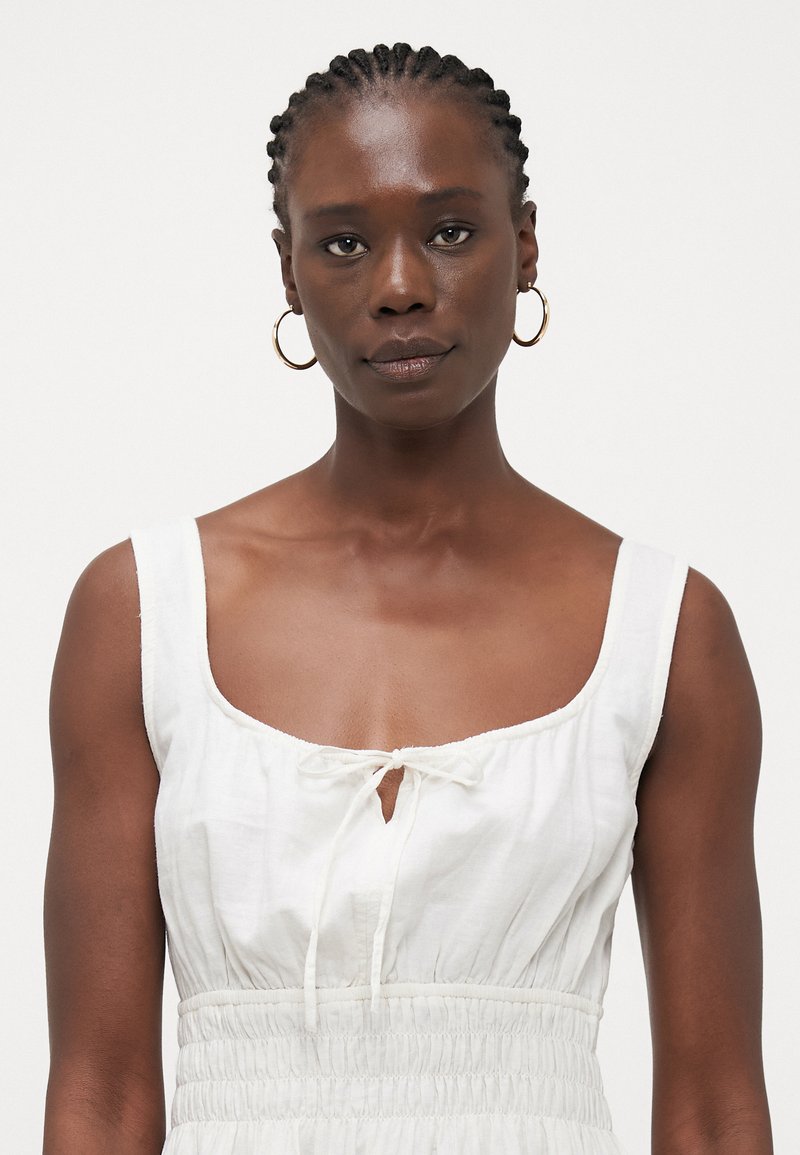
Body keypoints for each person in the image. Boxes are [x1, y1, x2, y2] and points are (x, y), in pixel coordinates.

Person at [43, 42, 772, 1155]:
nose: (398, 286)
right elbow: (98, 1095)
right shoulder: (142, 612)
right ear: (289, 272)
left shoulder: (666, 630)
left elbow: (715, 1110)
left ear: (525, 246)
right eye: (343, 242)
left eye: (449, 231)